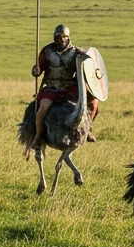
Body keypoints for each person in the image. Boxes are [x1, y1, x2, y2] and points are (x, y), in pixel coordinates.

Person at [25, 24, 98, 158]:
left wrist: (89, 59)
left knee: (93, 103)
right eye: (58, 36)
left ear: (68, 37)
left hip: (70, 88)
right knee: (43, 108)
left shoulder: (76, 52)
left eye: (64, 36)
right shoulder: (47, 51)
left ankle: (87, 129)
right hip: (52, 88)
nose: (61, 39)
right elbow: (39, 68)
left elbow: (88, 65)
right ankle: (38, 136)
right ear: (54, 37)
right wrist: (35, 70)